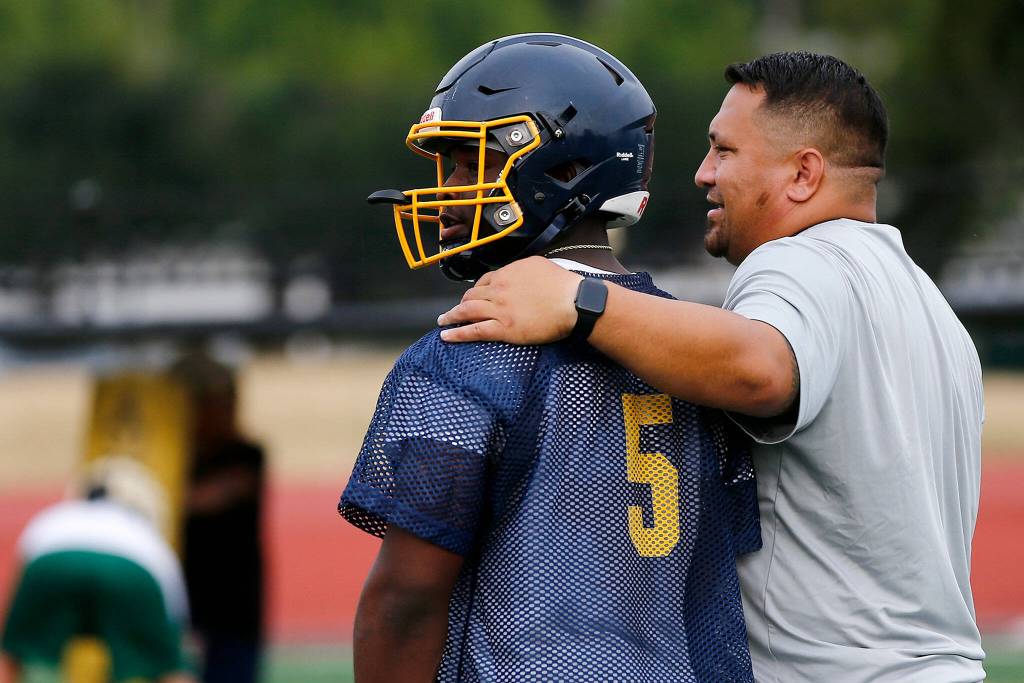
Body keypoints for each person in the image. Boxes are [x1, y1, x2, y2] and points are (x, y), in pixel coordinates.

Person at [437, 51, 986, 682]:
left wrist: (578, 300)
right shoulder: (927, 301)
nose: (703, 174)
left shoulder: (799, 262)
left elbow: (762, 370)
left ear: (803, 174)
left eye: (723, 151)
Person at [340, 33, 761, 682]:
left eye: (467, 162)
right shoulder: (695, 347)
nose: (449, 190)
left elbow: (404, 599)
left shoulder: (466, 352)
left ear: (562, 169)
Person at [0, 456, 195, 683]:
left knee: (24, 653)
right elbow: (175, 621)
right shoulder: (150, 541)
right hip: (134, 571)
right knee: (166, 663)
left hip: (51, 560)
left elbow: (22, 580)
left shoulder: (55, 518)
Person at [171, 353, 266, 683]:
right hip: (185, 595)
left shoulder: (245, 456)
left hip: (233, 602)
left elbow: (213, 496)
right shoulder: (175, 458)